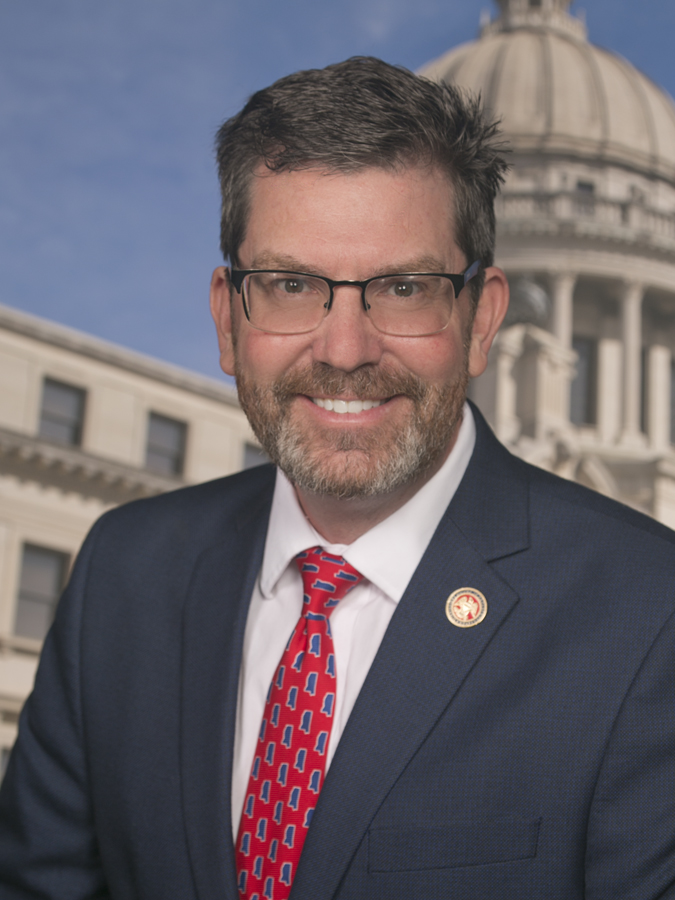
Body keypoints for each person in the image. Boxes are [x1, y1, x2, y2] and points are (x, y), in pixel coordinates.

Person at [1, 56, 674, 900]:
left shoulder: (648, 612)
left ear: (481, 319)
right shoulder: (123, 573)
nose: (345, 350)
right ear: (226, 316)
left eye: (403, 287)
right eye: (289, 285)